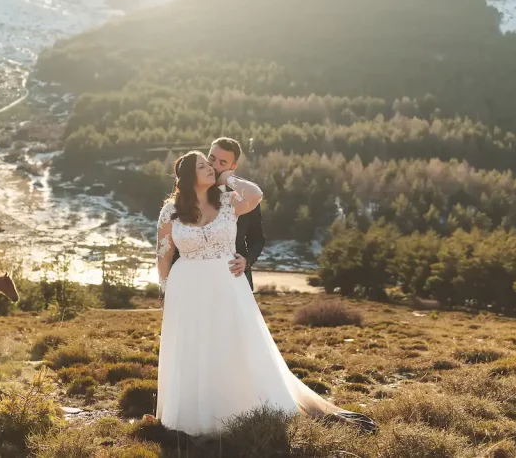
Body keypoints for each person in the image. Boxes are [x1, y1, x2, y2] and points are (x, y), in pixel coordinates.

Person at [155, 150, 378, 437]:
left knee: (232, 343)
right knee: (193, 346)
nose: (210, 168)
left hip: (227, 285)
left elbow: (256, 194)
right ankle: (192, 417)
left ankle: (238, 410)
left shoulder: (227, 201)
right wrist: (165, 289)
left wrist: (227, 177)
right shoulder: (170, 210)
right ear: (187, 176)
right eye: (202, 166)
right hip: (187, 288)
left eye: (211, 165)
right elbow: (163, 254)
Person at [171, 137, 264, 290]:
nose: (214, 166)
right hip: (193, 280)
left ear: (233, 166)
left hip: (234, 277)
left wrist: (247, 261)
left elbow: (257, 239)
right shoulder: (188, 190)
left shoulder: (244, 195)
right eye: (211, 159)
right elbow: (174, 240)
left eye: (222, 163)